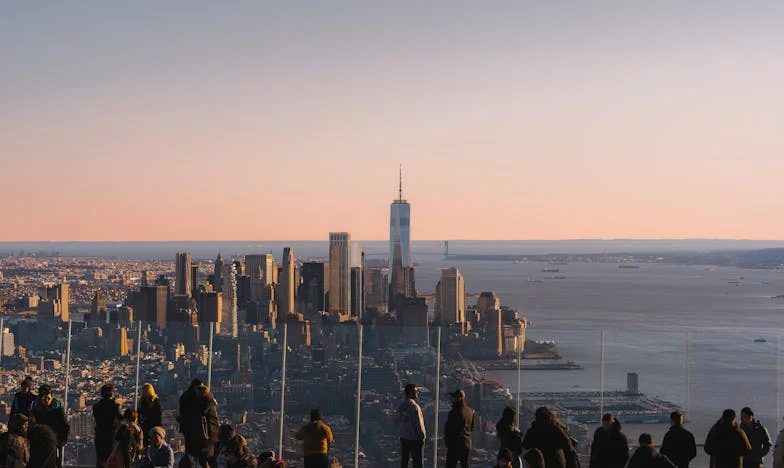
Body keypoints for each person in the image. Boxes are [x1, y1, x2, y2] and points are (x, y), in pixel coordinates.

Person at [178, 379, 219, 468]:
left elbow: (213, 419)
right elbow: (196, 415)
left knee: (205, 460)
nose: (201, 391)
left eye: (202, 389)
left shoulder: (208, 399)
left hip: (206, 436)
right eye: (198, 389)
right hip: (197, 436)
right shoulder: (188, 400)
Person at [31, 385, 69, 459]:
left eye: (48, 398)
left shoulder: (57, 409)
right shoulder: (36, 409)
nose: (46, 400)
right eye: (44, 398)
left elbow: (65, 426)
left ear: (52, 396)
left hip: (54, 443)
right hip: (40, 443)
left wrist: (61, 442)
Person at [93, 384, 123, 468]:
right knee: (111, 459)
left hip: (99, 436)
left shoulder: (96, 407)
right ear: (112, 393)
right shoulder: (115, 407)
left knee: (100, 459)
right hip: (111, 436)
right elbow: (121, 419)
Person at [444, 389, 474, 468]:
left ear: (459, 398)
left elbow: (450, 430)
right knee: (465, 465)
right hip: (466, 443)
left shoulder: (454, 412)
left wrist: (448, 443)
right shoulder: (470, 411)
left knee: (450, 465)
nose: (451, 399)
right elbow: (471, 428)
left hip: (455, 444)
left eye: (453, 397)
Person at [398, 383, 426, 468]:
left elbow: (397, 420)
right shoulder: (414, 407)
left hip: (404, 437)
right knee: (417, 463)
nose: (417, 392)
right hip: (414, 438)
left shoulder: (401, 404)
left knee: (404, 462)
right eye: (416, 391)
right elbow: (418, 424)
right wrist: (422, 436)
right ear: (410, 392)